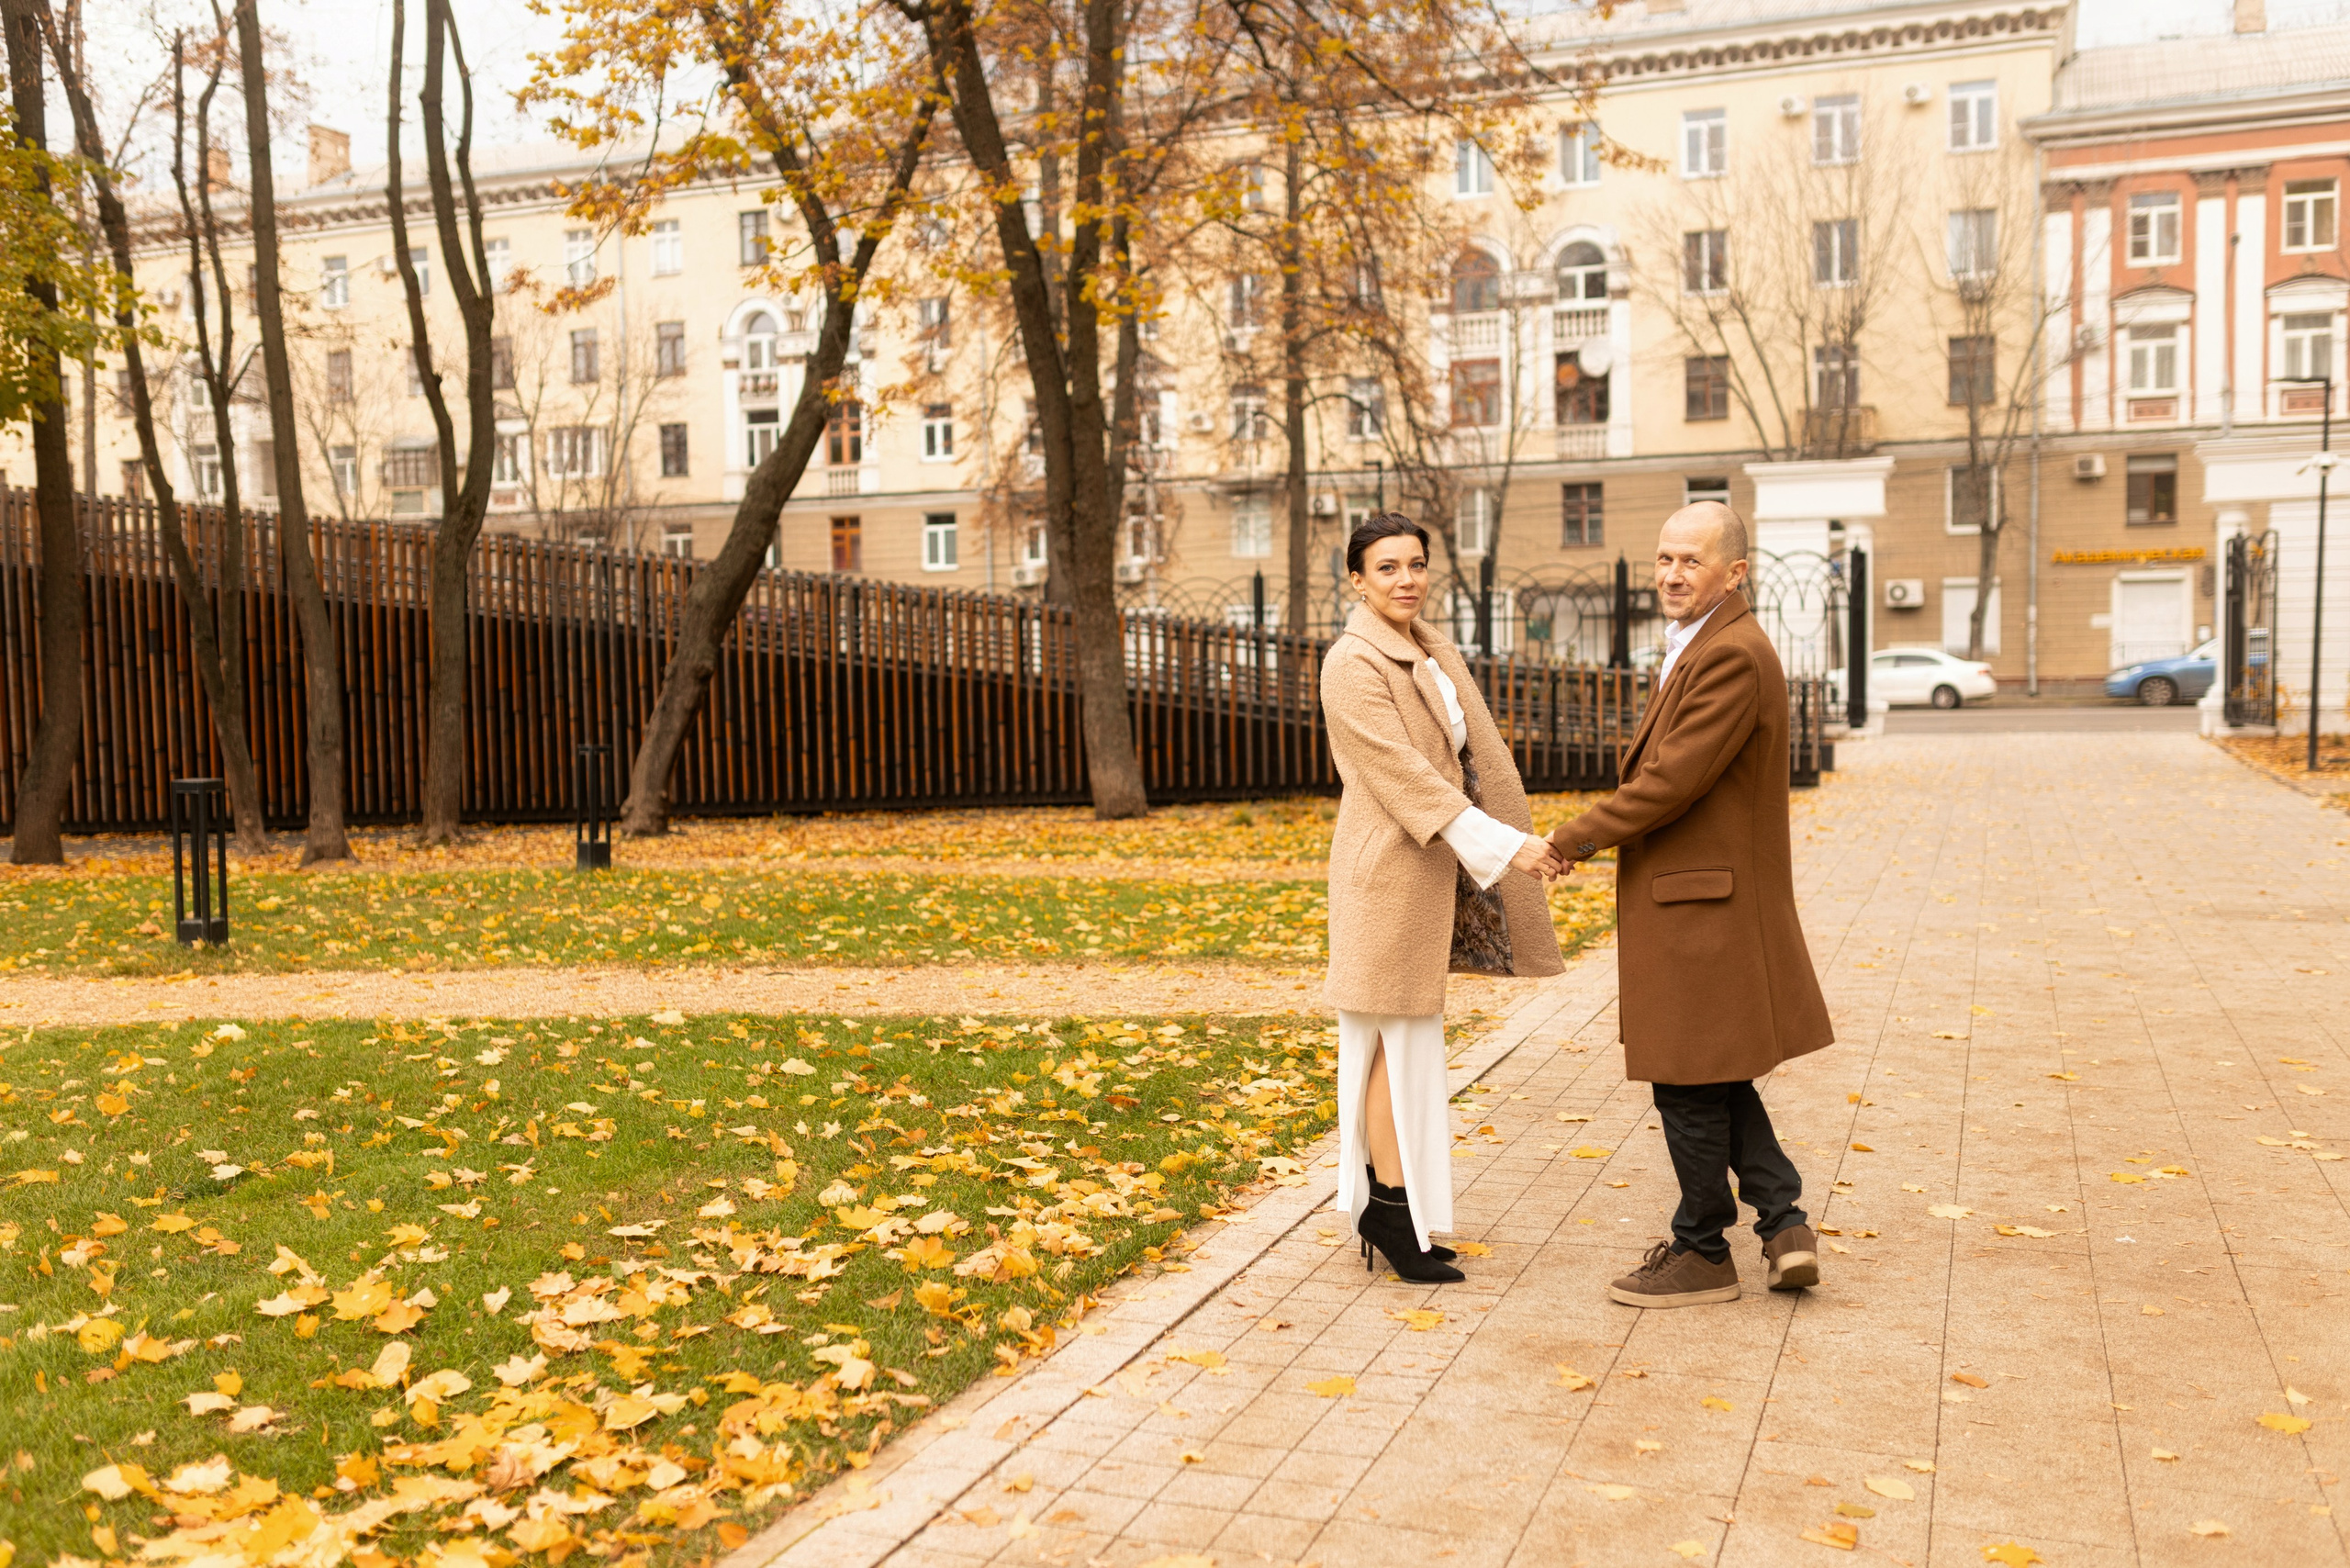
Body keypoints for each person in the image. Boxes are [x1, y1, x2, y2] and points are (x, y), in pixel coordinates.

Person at [1548, 500, 1834, 1308]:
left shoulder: (1732, 654)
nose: (1672, 575)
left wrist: (1572, 839)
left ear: (1734, 572)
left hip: (1704, 902)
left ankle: (1702, 1249)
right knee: (1711, 1074)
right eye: (1665, 559)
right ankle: (1784, 1227)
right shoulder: (1709, 643)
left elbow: (1671, 780)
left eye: (1692, 562)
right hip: (1701, 897)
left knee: (1686, 1078)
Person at [1321, 512, 1564, 1283]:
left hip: (1436, 867)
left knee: (1405, 1044)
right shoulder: (1352, 662)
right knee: (1394, 1044)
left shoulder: (1432, 651)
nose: (1406, 579)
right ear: (1357, 580)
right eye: (1387, 568)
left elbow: (1474, 759)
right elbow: (1404, 776)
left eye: (1416, 564)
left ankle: (1396, 1207)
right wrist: (1506, 847)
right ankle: (1390, 1212)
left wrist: (1501, 835)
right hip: (1390, 872)